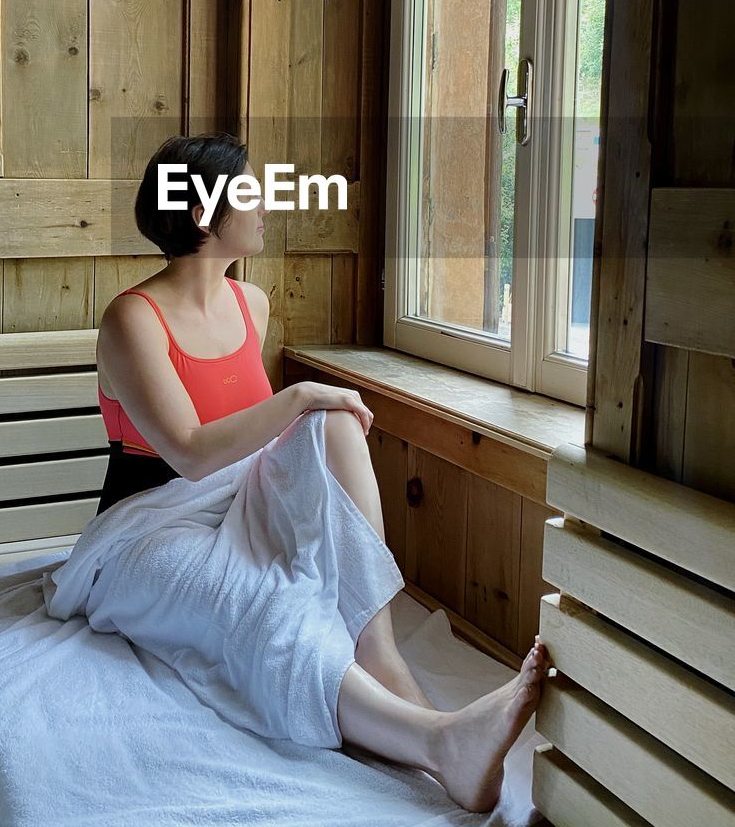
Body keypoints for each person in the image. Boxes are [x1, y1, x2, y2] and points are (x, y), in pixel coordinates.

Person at [95, 132, 550, 814]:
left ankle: (379, 649)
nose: (264, 204)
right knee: (269, 603)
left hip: (240, 497)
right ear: (200, 213)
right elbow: (188, 452)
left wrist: (313, 410)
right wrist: (299, 395)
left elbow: (260, 443)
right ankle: (439, 741)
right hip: (152, 522)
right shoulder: (132, 319)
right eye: (249, 190)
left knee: (334, 423)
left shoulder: (250, 304)